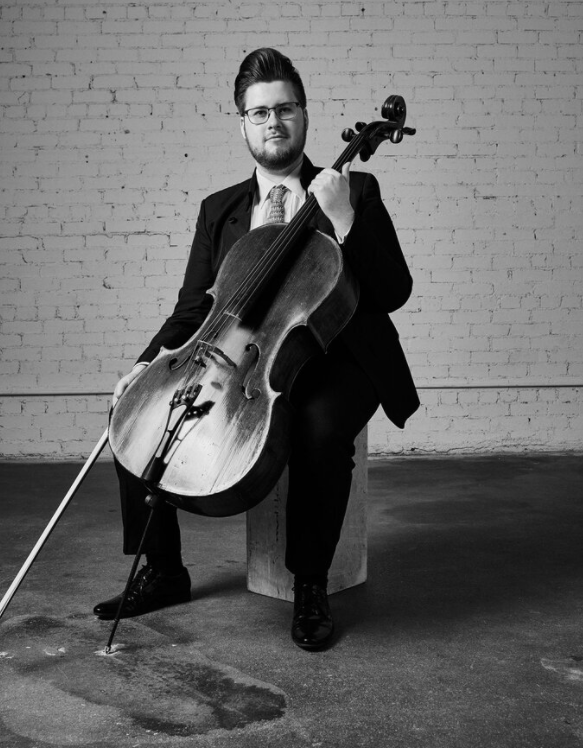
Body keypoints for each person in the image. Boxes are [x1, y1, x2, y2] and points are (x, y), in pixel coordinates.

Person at [94, 48, 419, 650]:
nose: (275, 122)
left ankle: (311, 584)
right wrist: (143, 365)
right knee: (138, 410)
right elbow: (195, 307)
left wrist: (344, 222)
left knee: (320, 429)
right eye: (260, 112)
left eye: (286, 109)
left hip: (340, 353)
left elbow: (394, 291)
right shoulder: (220, 210)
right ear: (243, 122)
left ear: (304, 115)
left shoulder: (356, 189)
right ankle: (163, 571)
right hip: (247, 358)